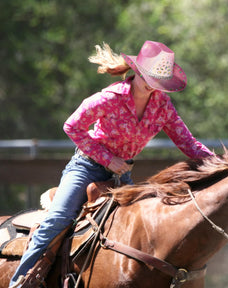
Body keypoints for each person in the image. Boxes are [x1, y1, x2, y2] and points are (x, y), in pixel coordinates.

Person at [9, 40, 214, 287]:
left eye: (158, 81)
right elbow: (72, 126)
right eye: (149, 77)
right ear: (137, 71)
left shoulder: (162, 107)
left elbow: (188, 143)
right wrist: (108, 159)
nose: (152, 86)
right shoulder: (110, 97)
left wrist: (222, 164)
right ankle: (18, 282)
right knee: (58, 219)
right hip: (86, 167)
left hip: (121, 176)